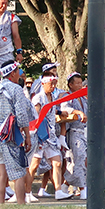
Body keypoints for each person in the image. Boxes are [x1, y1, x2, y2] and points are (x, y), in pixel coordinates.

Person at [0, 60, 35, 203]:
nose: (19, 74)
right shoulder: (16, 89)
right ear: (12, 73)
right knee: (18, 172)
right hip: (10, 133)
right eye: (18, 71)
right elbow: (21, 114)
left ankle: (1, 203)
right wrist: (27, 136)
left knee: (1, 173)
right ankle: (20, 203)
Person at [29, 75, 73, 200]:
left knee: (57, 162)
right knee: (34, 164)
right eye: (51, 84)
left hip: (51, 135)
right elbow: (36, 114)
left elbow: (51, 110)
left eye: (54, 84)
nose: (53, 86)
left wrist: (59, 112)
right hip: (40, 134)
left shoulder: (52, 97)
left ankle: (58, 191)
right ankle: (27, 192)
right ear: (43, 83)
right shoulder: (38, 98)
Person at [60, 72, 88, 200]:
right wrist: (78, 112)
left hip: (84, 131)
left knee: (81, 161)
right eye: (77, 83)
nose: (80, 85)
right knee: (79, 158)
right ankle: (82, 188)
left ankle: (65, 185)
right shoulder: (67, 96)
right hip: (74, 131)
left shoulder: (83, 98)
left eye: (81, 83)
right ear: (70, 85)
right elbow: (65, 109)